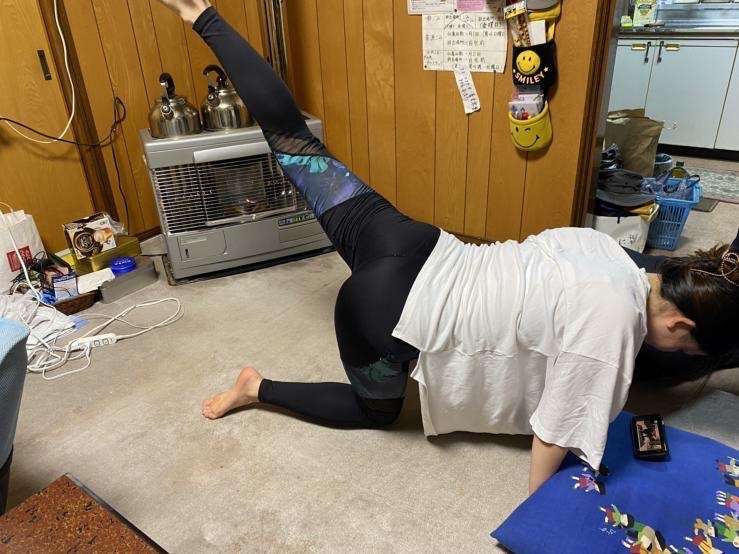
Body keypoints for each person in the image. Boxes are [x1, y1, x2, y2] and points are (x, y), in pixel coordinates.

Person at [158, 0, 739, 494]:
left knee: (294, 140)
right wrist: (538, 520)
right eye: (684, 349)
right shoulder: (611, 330)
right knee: (374, 413)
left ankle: (200, 12)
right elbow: (552, 436)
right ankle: (256, 387)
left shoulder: (606, 250)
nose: (673, 354)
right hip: (383, 311)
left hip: (412, 244)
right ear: (681, 324)